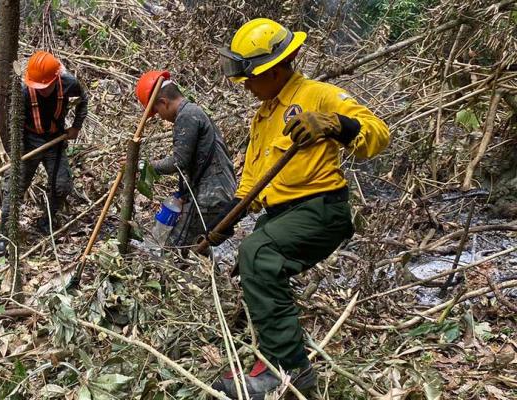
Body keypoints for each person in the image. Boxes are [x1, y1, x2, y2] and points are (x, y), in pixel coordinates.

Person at [208, 18, 390, 398]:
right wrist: (228, 218)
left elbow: (377, 135)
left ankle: (288, 369)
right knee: (249, 262)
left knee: (259, 254)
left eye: (250, 78)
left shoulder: (318, 95)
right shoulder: (263, 115)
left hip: (320, 209)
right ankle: (263, 352)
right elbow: (253, 182)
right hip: (280, 213)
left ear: (273, 70)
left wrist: (334, 124)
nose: (245, 86)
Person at [0, 51, 88, 256]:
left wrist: (76, 127)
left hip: (55, 140)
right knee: (15, 187)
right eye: (39, 87)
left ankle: (46, 220)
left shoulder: (69, 84)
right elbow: (14, 125)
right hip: (28, 142)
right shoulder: (24, 92)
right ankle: (5, 234)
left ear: (56, 78)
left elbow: (83, 100)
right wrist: (17, 153)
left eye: (46, 86)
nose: (42, 90)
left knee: (62, 185)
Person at [135, 70, 236, 249]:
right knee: (197, 247)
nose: (160, 117)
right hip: (214, 194)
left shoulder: (187, 116)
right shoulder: (193, 112)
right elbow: (193, 161)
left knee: (175, 248)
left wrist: (141, 165)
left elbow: (177, 162)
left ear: (163, 102)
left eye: (157, 112)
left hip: (211, 197)